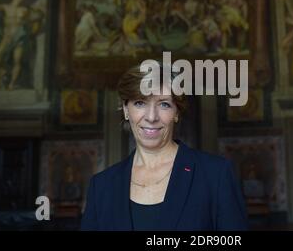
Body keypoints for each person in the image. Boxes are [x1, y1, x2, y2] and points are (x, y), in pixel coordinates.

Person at [81, 64, 248, 231]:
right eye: (140, 103)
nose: (152, 117)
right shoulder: (101, 186)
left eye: (164, 105)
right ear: (126, 110)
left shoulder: (216, 175)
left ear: (176, 112)